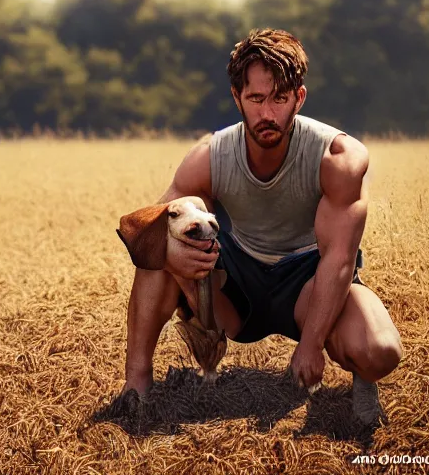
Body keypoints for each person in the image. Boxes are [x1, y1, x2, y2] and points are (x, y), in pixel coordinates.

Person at [121, 28, 403, 424]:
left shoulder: (338, 157)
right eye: (255, 98)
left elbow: (338, 260)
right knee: (160, 248)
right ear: (237, 98)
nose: (267, 113)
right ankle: (135, 388)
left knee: (379, 350)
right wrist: (179, 263)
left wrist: (311, 345)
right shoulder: (209, 157)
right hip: (239, 285)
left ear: (298, 98)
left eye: (280, 98)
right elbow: (148, 229)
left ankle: (362, 379)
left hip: (310, 283)